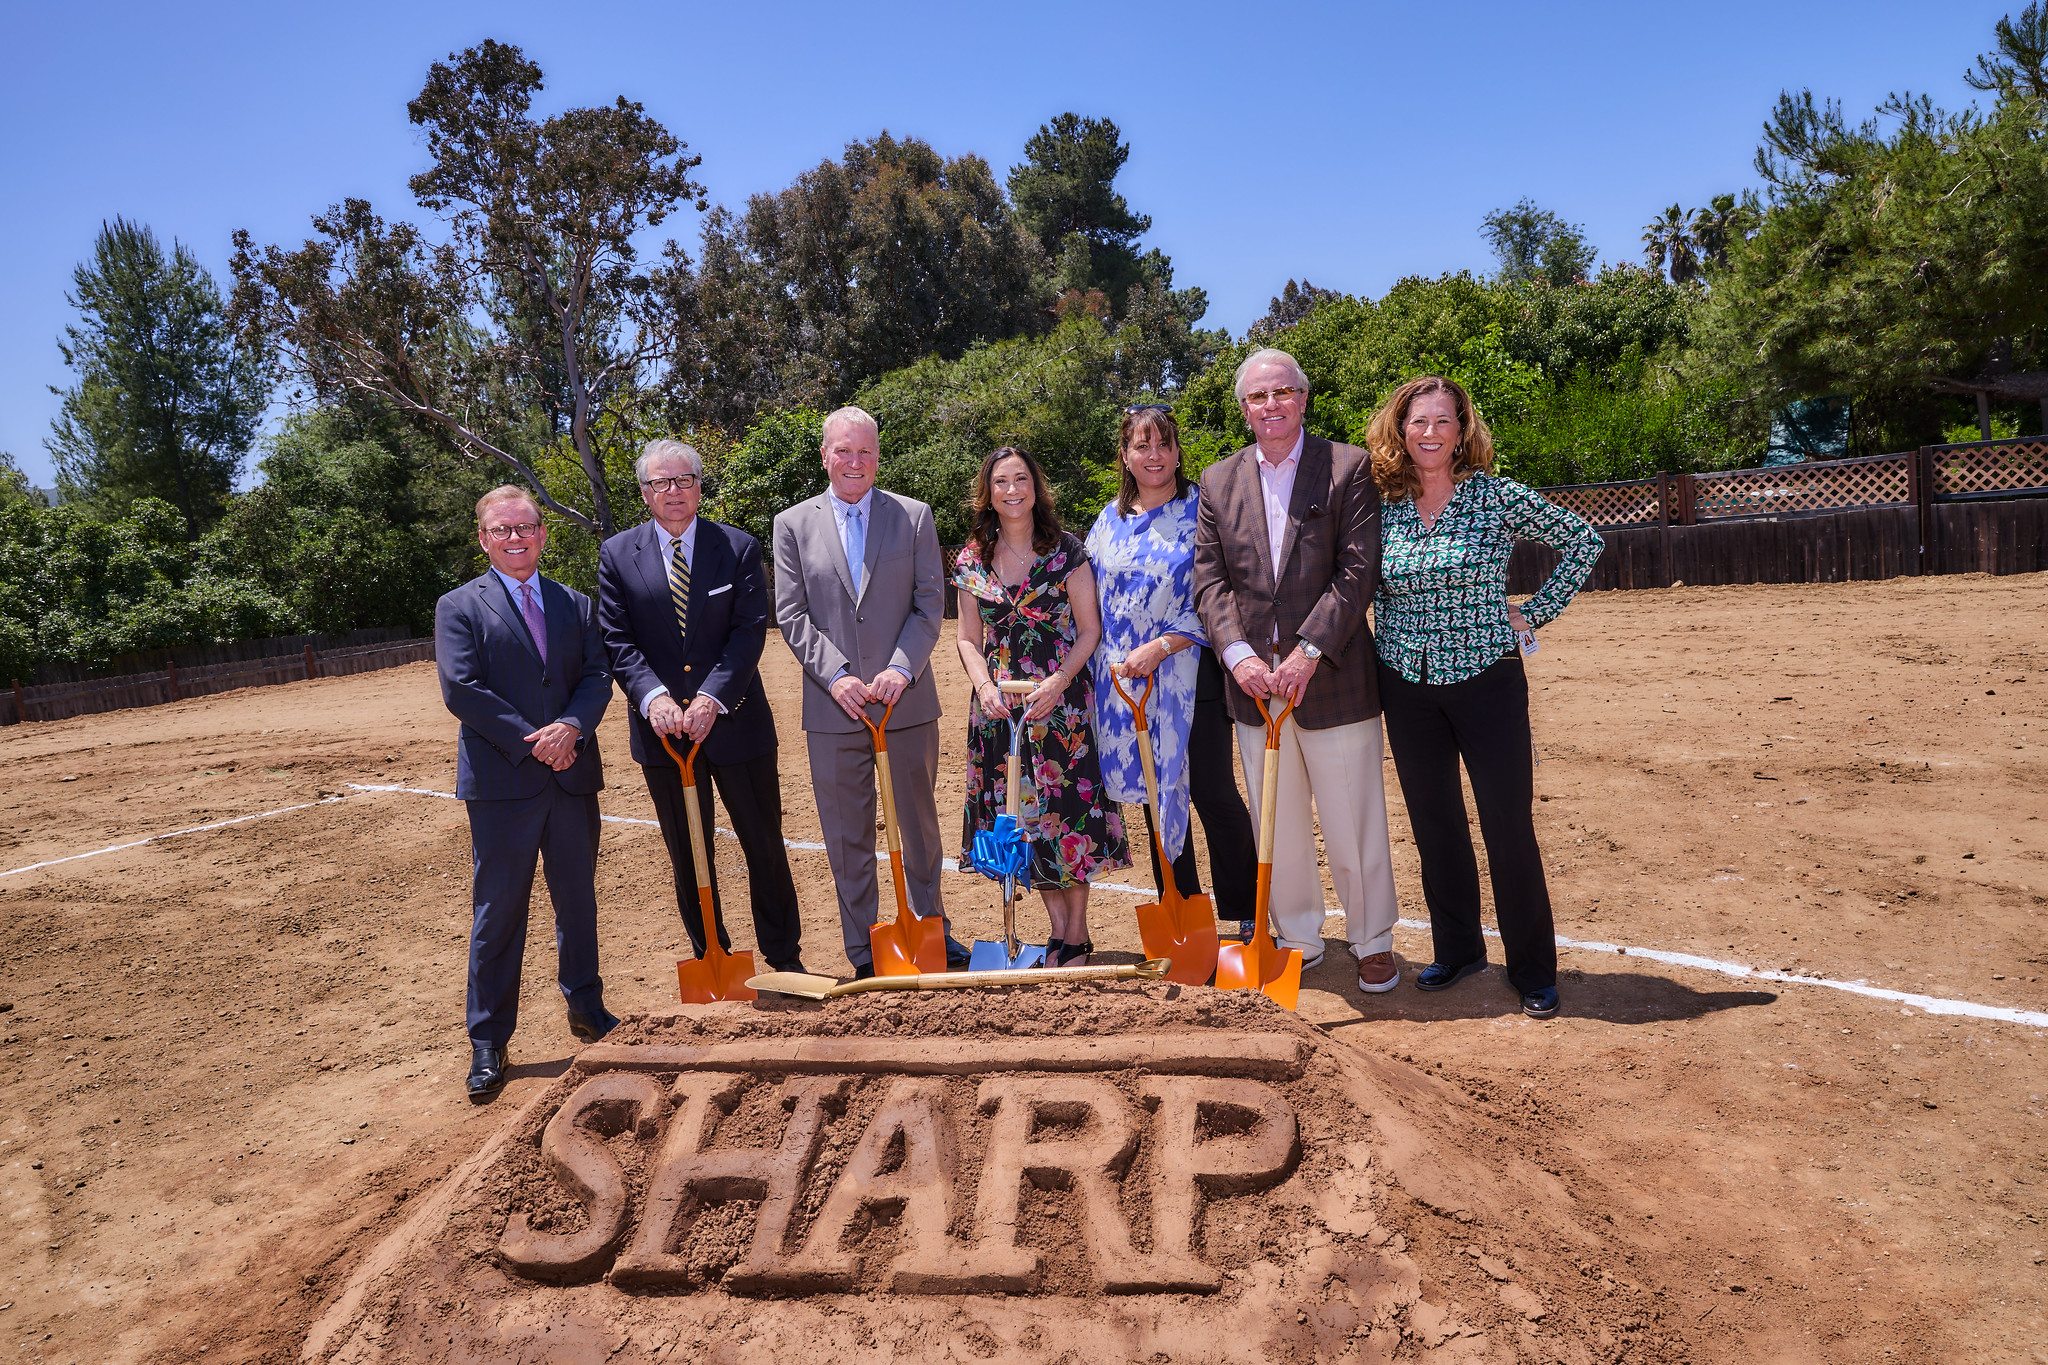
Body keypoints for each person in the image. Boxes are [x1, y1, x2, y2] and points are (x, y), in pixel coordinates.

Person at [1367, 375, 1603, 1020]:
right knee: (1435, 822)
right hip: (1406, 682)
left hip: (1487, 681)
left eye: (1444, 422)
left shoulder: (1495, 497)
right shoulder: (1378, 502)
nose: (1431, 434)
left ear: (1464, 431)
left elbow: (1585, 542)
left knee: (1507, 824)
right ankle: (1460, 949)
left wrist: (1536, 611)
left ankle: (1532, 968)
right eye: (1419, 422)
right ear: (1400, 429)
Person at [1191, 347, 1403, 994]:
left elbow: (1357, 569)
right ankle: (1299, 936)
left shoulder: (1348, 467)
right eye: (1259, 396)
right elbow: (1210, 581)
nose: (1272, 405)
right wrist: (1239, 655)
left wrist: (1309, 651)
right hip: (1254, 687)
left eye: (1283, 392)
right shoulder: (1217, 480)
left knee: (1354, 818)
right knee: (1275, 826)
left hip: (1333, 679)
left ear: (1303, 398)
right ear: (1244, 408)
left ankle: (1372, 940)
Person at [435, 485, 616, 1102]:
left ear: (542, 534)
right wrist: (535, 738)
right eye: (502, 530)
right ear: (484, 539)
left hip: (570, 776)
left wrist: (571, 727)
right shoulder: (458, 606)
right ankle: (488, 1040)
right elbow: (462, 688)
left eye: (526, 528)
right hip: (504, 785)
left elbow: (597, 675)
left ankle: (587, 1009)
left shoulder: (575, 604)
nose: (516, 538)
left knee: (577, 902)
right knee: (499, 912)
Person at [774, 406, 969, 978]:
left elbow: (930, 603)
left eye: (864, 451)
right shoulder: (792, 524)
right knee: (847, 834)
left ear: (877, 455)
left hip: (905, 705)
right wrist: (837, 676)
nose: (854, 461)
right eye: (843, 450)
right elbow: (791, 613)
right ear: (825, 455)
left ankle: (929, 929)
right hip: (834, 710)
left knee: (919, 827)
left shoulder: (912, 516)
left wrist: (901, 670)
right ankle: (865, 950)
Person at [598, 439, 805, 975]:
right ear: (644, 492)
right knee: (689, 853)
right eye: (660, 483)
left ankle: (785, 957)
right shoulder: (617, 555)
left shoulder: (735, 547)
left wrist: (713, 696)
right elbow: (616, 640)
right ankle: (709, 955)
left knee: (764, 844)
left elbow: (747, 630)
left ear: (698, 485)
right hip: (663, 733)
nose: (673, 491)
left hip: (737, 725)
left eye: (683, 480)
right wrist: (653, 697)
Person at [1085, 406, 1257, 935]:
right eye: (1142, 445)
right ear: (1125, 456)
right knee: (1154, 797)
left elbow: (1218, 590)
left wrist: (1161, 645)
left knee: (1211, 792)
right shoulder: (1108, 520)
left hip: (1190, 675)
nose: (1153, 455)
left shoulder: (1202, 511)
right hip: (1124, 684)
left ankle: (1247, 910)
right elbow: (1086, 593)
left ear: (1178, 452)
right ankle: (1181, 913)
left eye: (1163, 444)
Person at [954, 446, 1129, 965]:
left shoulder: (1066, 550)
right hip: (998, 711)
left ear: (1036, 487)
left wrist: (1057, 681)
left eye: (1021, 480)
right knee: (1025, 822)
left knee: (1067, 820)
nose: (1012, 490)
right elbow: (967, 637)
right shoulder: (971, 558)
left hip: (1062, 708)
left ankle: (1077, 935)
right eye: (1002, 481)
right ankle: (1059, 934)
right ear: (988, 492)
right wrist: (984, 685)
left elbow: (1090, 629)